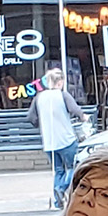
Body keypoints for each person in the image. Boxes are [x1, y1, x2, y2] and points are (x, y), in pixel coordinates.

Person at [33, 65, 89, 203]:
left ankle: (58, 201)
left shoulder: (39, 97)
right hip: (66, 140)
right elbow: (75, 109)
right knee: (73, 167)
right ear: (60, 82)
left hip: (49, 141)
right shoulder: (63, 95)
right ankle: (62, 188)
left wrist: (42, 122)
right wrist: (84, 116)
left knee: (58, 170)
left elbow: (31, 117)